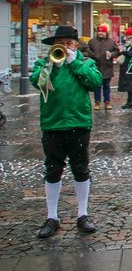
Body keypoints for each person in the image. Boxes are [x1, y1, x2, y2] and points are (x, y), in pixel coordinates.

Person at [30, 26, 104, 238]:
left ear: (75, 45)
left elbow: (94, 82)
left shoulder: (85, 62)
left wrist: (74, 63)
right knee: (53, 169)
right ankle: (52, 216)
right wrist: (53, 66)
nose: (64, 47)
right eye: (59, 44)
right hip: (53, 124)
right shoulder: (44, 64)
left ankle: (83, 213)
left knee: (80, 168)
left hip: (79, 123)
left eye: (68, 44)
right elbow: (37, 82)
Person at [87, 25, 119, 110]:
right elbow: (87, 51)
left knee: (106, 86)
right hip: (95, 67)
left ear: (106, 33)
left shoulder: (111, 42)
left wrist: (112, 55)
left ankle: (107, 102)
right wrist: (92, 55)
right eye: (99, 31)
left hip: (107, 67)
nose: (101, 33)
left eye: (103, 31)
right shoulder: (92, 41)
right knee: (97, 86)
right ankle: (97, 102)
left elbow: (117, 51)